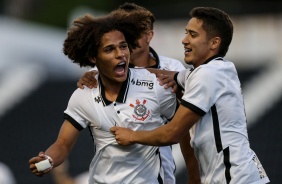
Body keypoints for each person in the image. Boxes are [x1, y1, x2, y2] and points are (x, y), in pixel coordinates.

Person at [28, 12, 199, 184]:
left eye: (123, 46)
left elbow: (182, 131)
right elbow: (63, 144)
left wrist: (194, 176)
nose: (120, 54)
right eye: (110, 49)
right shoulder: (83, 95)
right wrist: (48, 159)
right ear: (93, 57)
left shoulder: (155, 85)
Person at [110, 7, 270, 184]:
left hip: (234, 178)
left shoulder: (208, 75)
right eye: (186, 33)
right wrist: (101, 75)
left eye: (193, 35)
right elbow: (162, 74)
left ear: (214, 43)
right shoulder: (207, 71)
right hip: (237, 175)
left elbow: (172, 134)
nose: (184, 40)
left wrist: (131, 136)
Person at [75, 3, 198, 184]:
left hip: (157, 174)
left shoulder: (173, 69)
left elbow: (186, 129)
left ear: (150, 35)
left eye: (136, 31)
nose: (130, 38)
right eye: (125, 31)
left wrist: (194, 176)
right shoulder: (102, 73)